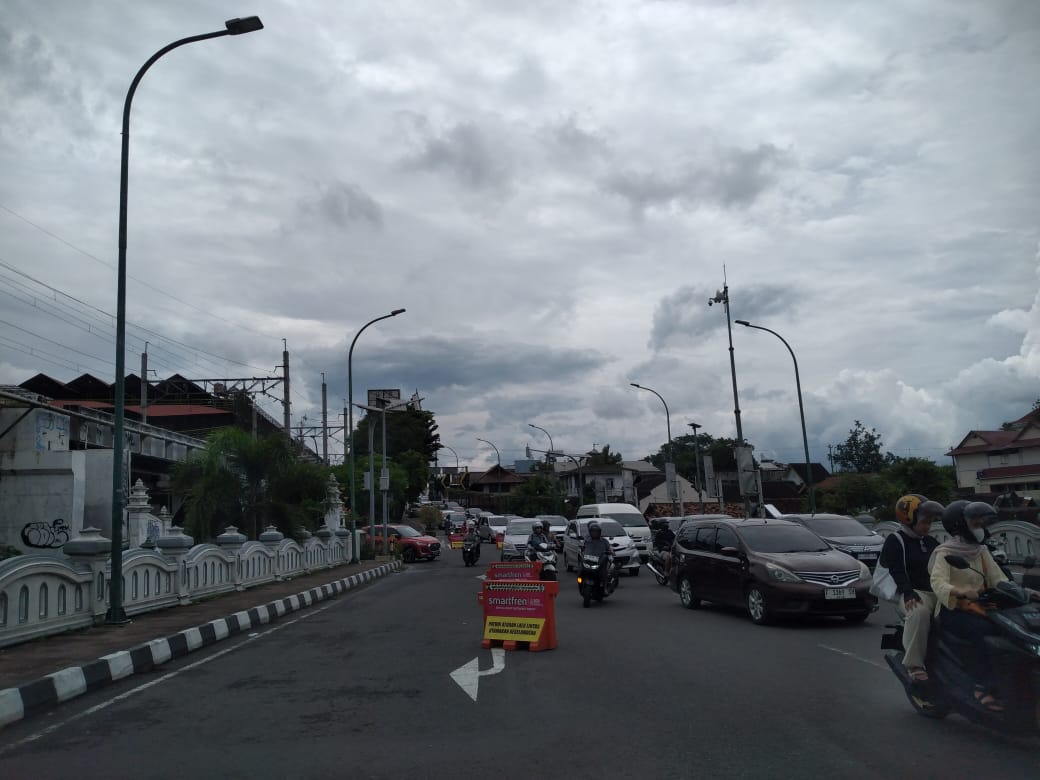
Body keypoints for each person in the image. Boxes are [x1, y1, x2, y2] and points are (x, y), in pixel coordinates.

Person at [929, 499, 1009, 712]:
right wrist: (960, 591)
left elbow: (998, 579)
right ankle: (981, 685)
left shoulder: (980, 550)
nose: (980, 528)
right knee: (985, 634)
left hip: (983, 607)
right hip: (954, 609)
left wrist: (1025, 593)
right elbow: (937, 582)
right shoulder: (945, 552)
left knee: (1012, 631)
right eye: (975, 523)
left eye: (981, 523)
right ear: (960, 526)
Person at [883, 494, 943, 682]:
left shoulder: (930, 541)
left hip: (937, 592)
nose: (928, 526)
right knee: (918, 613)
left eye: (930, 522)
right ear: (909, 519)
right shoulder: (896, 540)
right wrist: (908, 592)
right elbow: (896, 569)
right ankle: (914, 665)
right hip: (912, 593)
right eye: (925, 522)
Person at [581, 521, 614, 589]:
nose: (594, 533)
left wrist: (611, 551)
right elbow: (583, 548)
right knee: (581, 568)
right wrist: (582, 550)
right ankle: (581, 583)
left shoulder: (604, 541)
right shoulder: (587, 540)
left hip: (600, 560)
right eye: (593, 531)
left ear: (599, 532)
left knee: (605, 571)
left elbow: (609, 548)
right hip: (590, 559)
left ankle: (605, 587)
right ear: (590, 532)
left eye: (596, 532)